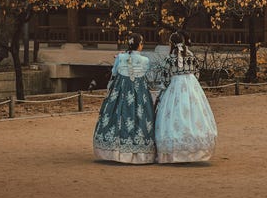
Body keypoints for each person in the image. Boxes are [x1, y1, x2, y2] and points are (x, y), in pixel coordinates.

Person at [153, 31, 218, 164]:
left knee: (174, 115)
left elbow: (165, 78)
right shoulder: (191, 56)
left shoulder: (169, 59)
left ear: (171, 43)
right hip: (191, 86)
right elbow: (197, 72)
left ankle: (174, 151)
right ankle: (195, 150)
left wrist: (164, 90)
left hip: (175, 85)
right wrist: (191, 82)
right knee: (194, 114)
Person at [93, 33, 156, 164]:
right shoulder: (145, 60)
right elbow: (148, 77)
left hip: (120, 90)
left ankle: (114, 151)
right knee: (140, 116)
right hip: (139, 92)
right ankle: (139, 152)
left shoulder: (120, 57)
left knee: (118, 115)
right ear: (139, 45)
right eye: (142, 43)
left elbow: (114, 72)